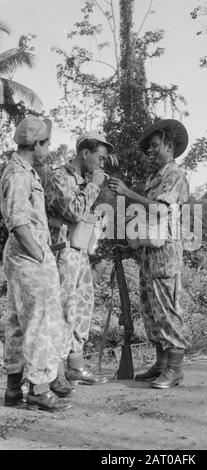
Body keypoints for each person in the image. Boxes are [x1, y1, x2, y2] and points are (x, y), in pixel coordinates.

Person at [108, 119, 191, 389]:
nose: (151, 151)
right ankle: (161, 364)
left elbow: (160, 211)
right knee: (151, 311)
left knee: (167, 310)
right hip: (148, 254)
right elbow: (148, 221)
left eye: (155, 146)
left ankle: (175, 369)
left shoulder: (175, 176)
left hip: (165, 255)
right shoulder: (154, 179)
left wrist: (127, 192)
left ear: (170, 146)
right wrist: (131, 246)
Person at [0, 115, 72, 411]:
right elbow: (16, 220)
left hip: (21, 255)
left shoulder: (24, 171)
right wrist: (41, 256)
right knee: (41, 321)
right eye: (47, 143)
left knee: (18, 321)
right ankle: (40, 390)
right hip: (29, 256)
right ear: (36, 144)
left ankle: (14, 388)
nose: (49, 149)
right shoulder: (19, 174)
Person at [44, 132, 114, 395]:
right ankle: (56, 372)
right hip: (61, 253)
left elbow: (83, 213)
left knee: (83, 306)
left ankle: (75, 365)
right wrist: (94, 185)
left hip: (79, 252)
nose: (102, 164)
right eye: (100, 157)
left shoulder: (82, 181)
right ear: (85, 153)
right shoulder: (58, 177)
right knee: (63, 311)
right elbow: (72, 211)